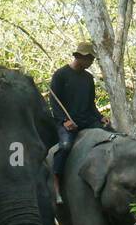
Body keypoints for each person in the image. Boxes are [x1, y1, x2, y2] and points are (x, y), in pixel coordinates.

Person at [48, 41, 112, 183]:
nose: (91, 62)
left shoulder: (88, 78)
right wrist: (65, 121)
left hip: (87, 120)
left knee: (111, 134)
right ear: (79, 56)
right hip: (66, 122)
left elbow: (91, 104)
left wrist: (100, 117)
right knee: (65, 147)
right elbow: (54, 102)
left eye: (92, 59)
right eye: (89, 58)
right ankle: (56, 181)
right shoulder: (60, 75)